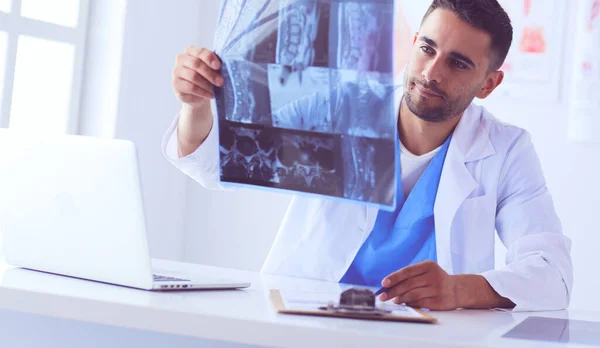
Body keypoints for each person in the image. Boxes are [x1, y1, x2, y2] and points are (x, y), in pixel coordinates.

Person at [164, 0, 573, 311]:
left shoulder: (505, 149)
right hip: (307, 318)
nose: (432, 73)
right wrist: (197, 103)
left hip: (426, 333)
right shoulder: (339, 108)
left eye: (459, 63)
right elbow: (215, 163)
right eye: (427, 48)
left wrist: (458, 288)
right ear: (413, 44)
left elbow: (553, 275)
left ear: (489, 83)